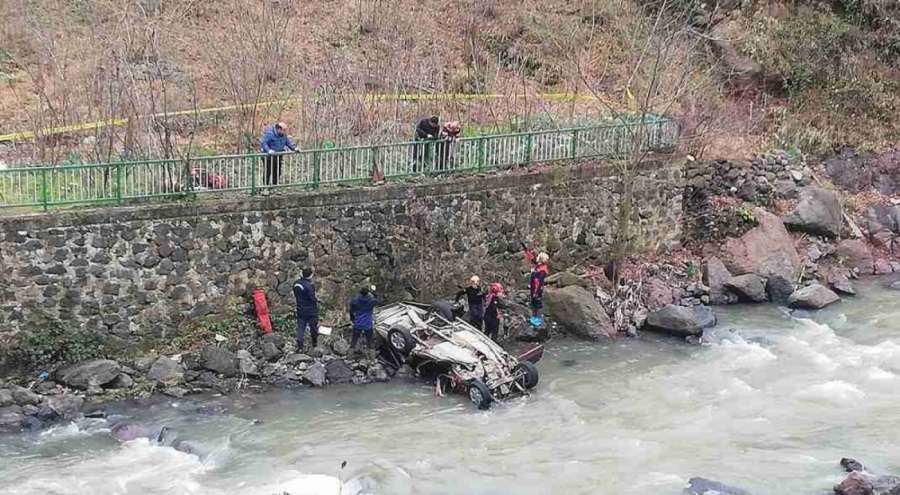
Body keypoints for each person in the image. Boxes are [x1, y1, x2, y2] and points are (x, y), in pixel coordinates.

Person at [260, 122, 299, 190]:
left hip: (278, 156)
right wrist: (269, 150)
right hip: (268, 157)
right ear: (278, 129)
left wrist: (294, 148)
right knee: (267, 172)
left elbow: (288, 143)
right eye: (283, 130)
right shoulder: (270, 134)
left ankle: (275, 186)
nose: (284, 132)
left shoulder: (283, 135)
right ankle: (265, 187)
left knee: (277, 171)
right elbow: (264, 143)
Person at [293, 266, 319, 349]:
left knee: (301, 327)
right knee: (313, 326)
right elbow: (312, 297)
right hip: (311, 310)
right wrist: (316, 300)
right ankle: (314, 343)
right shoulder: (309, 285)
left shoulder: (296, 283)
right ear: (310, 275)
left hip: (300, 308)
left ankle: (300, 344)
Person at [349, 285, 380, 349]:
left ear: (360, 292)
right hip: (368, 325)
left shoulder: (355, 301)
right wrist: (374, 291)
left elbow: (351, 312)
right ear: (368, 292)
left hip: (357, 324)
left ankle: (349, 357)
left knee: (354, 341)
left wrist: (353, 320)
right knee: (370, 342)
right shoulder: (371, 301)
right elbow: (377, 299)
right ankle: (372, 358)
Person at [525, 249, 550, 317]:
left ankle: (538, 318)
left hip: (537, 288)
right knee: (533, 302)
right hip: (533, 286)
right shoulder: (539, 265)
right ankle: (534, 317)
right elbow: (532, 258)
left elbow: (539, 282)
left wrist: (536, 292)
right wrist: (526, 250)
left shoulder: (542, 270)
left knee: (537, 303)